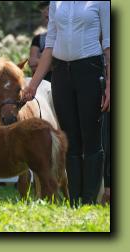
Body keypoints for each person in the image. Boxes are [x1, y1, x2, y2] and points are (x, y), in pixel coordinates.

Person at [22, 2, 110, 205]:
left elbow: (108, 45)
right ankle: (74, 200)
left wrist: (109, 85)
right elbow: (50, 45)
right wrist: (33, 85)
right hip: (61, 72)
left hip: (89, 69)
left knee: (91, 138)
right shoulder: (56, 3)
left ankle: (89, 201)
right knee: (69, 139)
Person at [29, 1, 52, 82]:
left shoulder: (66, 38)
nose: (46, 10)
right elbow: (32, 64)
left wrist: (41, 57)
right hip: (41, 85)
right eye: (43, 8)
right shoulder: (38, 39)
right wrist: (51, 61)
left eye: (49, 8)